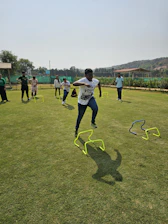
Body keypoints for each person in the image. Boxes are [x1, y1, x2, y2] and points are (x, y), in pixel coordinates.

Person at [73, 68, 102, 137]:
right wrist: (84, 84)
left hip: (90, 98)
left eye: (92, 75)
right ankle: (76, 129)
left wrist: (100, 92)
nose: (91, 76)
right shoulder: (83, 80)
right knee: (80, 116)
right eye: (89, 75)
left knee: (95, 108)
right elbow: (74, 83)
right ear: (85, 75)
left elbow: (99, 83)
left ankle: (92, 122)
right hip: (82, 101)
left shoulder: (95, 80)